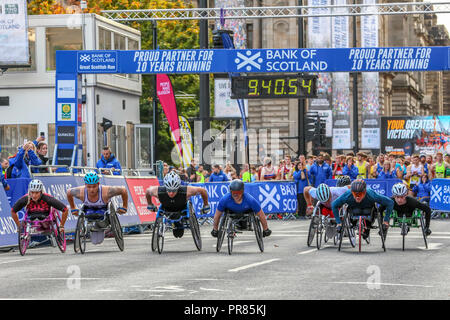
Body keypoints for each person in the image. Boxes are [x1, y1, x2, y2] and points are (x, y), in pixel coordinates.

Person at [66, 172, 128, 245]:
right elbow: (69, 192)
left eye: (94, 186)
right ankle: (93, 227)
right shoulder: (80, 192)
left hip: (103, 209)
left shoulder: (106, 191)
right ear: (85, 185)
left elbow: (123, 190)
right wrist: (73, 208)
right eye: (89, 187)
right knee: (90, 217)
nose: (92, 190)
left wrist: (124, 207)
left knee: (100, 216)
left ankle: (99, 225)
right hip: (89, 209)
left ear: (98, 184)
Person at [145, 171, 210, 238]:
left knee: (178, 231)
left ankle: (178, 223)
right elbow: (147, 191)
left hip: (182, 208)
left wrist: (206, 205)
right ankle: (175, 224)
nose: (171, 193)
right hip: (166, 208)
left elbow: (203, 191)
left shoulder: (186, 190)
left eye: (174, 191)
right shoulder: (159, 191)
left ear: (178, 188)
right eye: (169, 190)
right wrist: (150, 204)